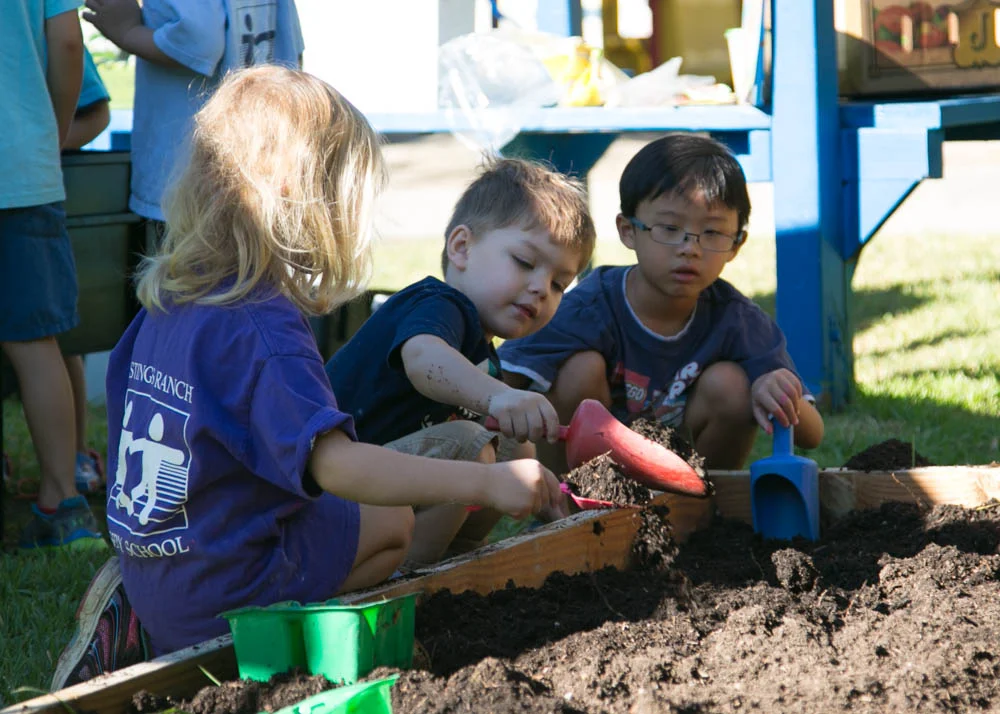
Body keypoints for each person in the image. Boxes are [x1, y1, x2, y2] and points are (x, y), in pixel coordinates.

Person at [50, 65, 565, 690]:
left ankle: (140, 613)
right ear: (307, 199)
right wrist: (488, 481)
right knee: (392, 526)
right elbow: (340, 469)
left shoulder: (172, 298)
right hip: (222, 602)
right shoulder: (266, 328)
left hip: (158, 563)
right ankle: (293, 627)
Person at [498, 133, 824, 474]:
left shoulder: (737, 320)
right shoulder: (587, 308)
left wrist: (780, 394)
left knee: (732, 383)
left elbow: (812, 436)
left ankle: (700, 512)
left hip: (680, 474)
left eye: (712, 233)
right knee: (580, 370)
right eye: (669, 228)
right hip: (592, 474)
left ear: (736, 244)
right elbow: (501, 383)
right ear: (627, 231)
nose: (690, 248)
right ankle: (569, 509)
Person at [326, 157, 597, 565]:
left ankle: (462, 558)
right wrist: (501, 397)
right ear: (461, 248)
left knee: (509, 443)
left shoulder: (480, 351)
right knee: (470, 445)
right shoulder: (436, 304)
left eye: (560, 283)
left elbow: (510, 445)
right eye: (525, 262)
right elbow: (422, 359)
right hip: (330, 493)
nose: (541, 288)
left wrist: (546, 495)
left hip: (379, 492)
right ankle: (414, 581)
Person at [1, 0, 103, 548]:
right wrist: (49, 132)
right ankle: (62, 503)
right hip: (22, 171)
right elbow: (68, 42)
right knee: (37, 343)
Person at [82, 0, 304, 246]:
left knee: (186, 279)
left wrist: (128, 33)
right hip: (262, 172)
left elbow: (198, 38)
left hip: (187, 181)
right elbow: (292, 47)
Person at [62, 47, 115, 495]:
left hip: (41, 194)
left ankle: (76, 456)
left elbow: (96, 113)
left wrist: (40, 142)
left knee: (59, 338)